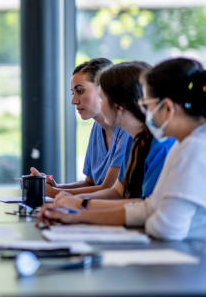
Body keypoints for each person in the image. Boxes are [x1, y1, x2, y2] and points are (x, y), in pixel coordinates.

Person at [39, 58, 206, 241]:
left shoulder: (190, 148)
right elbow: (148, 208)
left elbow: (162, 227)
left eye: (147, 105)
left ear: (166, 108)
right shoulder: (182, 146)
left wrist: (80, 206)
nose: (145, 111)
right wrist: (76, 214)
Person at [30, 58, 132, 197]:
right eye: (73, 93)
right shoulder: (97, 127)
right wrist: (55, 186)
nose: (74, 101)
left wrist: (54, 192)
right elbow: (90, 183)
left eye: (80, 91)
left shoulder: (127, 129)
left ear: (105, 89)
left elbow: (109, 189)